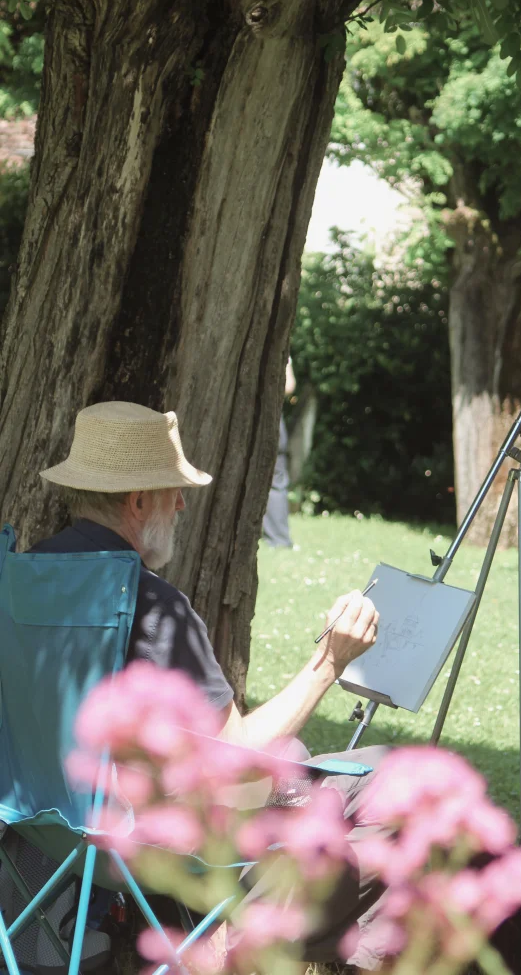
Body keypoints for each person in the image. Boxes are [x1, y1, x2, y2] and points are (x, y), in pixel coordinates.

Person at [32, 401, 390, 971]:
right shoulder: (149, 605)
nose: (180, 503)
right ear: (139, 500)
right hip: (135, 847)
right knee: (382, 784)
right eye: (173, 490)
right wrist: (329, 662)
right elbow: (238, 759)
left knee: (299, 759)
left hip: (41, 835)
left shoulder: (22, 578)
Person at [262, 357, 296, 548]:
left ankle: (279, 540)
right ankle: (278, 539)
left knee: (275, 480)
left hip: (271, 420)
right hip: (271, 419)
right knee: (276, 480)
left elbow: (289, 385)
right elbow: (289, 385)